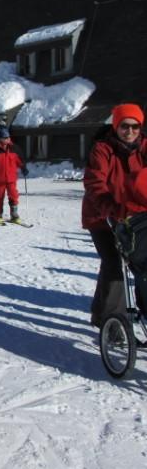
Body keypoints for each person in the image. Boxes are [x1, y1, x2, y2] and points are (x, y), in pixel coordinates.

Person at [82, 103, 147, 327]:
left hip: (136, 217)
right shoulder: (102, 149)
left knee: (140, 263)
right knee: (113, 263)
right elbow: (94, 183)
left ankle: (103, 311)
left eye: (135, 127)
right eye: (124, 126)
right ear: (116, 126)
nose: (130, 132)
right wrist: (111, 208)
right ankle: (113, 321)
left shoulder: (145, 147)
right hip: (102, 216)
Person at [0, 126, 28, 224]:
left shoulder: (14, 148)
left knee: (13, 195)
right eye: (4, 138)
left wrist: (23, 168)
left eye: (8, 137)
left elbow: (20, 160)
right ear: (0, 138)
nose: (7, 139)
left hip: (11, 178)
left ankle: (14, 215)